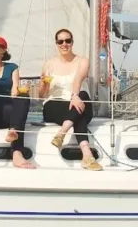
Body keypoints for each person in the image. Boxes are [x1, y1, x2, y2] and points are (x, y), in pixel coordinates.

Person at [38, 28, 102, 171]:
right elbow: (41, 95)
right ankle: (87, 155)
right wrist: (43, 83)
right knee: (78, 114)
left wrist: (74, 96)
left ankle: (62, 132)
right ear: (56, 43)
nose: (64, 44)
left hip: (77, 101)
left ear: (72, 42)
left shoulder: (82, 61)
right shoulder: (49, 64)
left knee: (82, 96)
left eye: (68, 41)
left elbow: (78, 79)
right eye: (60, 41)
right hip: (55, 104)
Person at [0, 35, 35, 169]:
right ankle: (16, 147)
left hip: (8, 112)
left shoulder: (12, 67)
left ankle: (15, 143)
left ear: (4, 50)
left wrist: (21, 90)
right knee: (15, 114)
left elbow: (14, 90)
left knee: (23, 96)